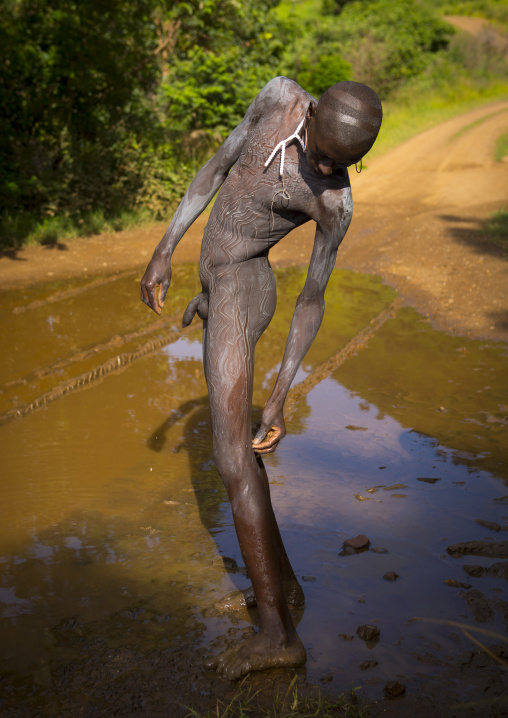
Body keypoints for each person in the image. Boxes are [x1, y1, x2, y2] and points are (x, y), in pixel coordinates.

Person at [141, 76, 382, 680]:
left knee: (229, 459)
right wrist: (167, 246)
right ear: (309, 110)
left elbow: (312, 300)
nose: (327, 166)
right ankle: (287, 588)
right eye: (322, 151)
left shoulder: (334, 202)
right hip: (218, 283)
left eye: (342, 164)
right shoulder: (276, 98)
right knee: (241, 459)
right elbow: (216, 168)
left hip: (246, 288)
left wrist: (280, 396)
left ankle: (277, 634)